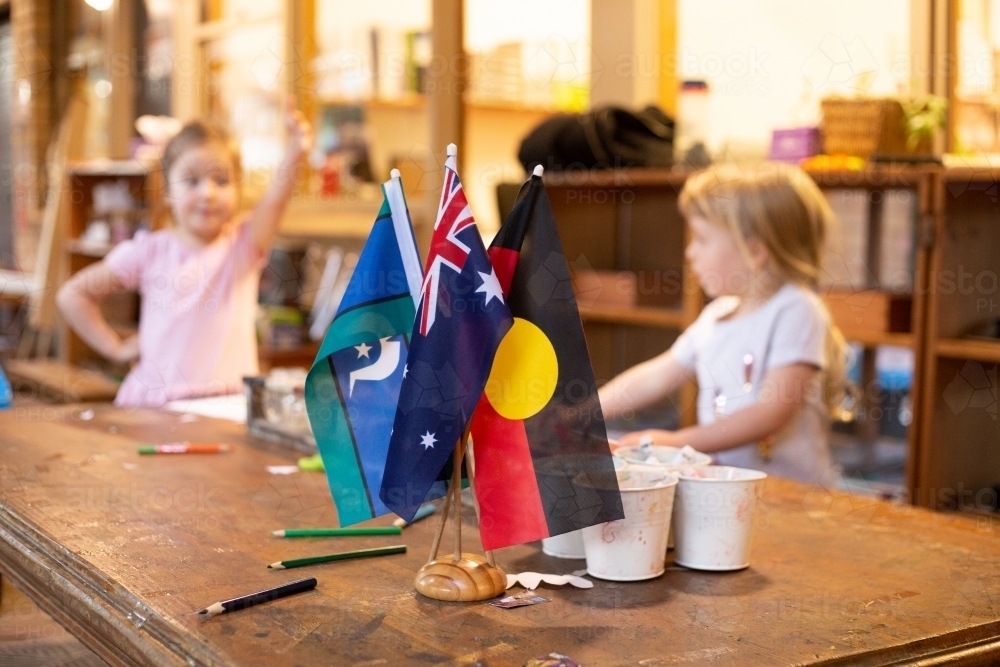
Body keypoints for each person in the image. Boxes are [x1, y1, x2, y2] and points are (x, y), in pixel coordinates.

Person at [598, 163, 848, 485]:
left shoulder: (797, 310)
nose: (690, 252)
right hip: (728, 490)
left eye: (702, 239)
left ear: (754, 251)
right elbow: (655, 377)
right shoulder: (716, 314)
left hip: (790, 498)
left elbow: (770, 413)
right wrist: (587, 412)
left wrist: (676, 442)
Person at [58, 103, 312, 407]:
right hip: (156, 408)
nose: (208, 193)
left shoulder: (243, 245)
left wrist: (296, 152)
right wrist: (114, 348)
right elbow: (72, 295)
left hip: (227, 408)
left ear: (237, 188)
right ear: (167, 190)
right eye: (192, 181)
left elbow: (275, 200)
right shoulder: (147, 251)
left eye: (221, 180)